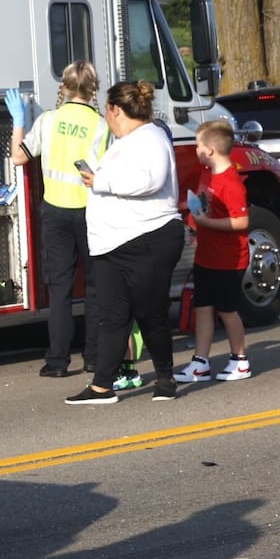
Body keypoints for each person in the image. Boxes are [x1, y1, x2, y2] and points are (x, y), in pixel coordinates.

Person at [65, 80, 185, 405]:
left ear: (116, 109)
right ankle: (102, 386)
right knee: (111, 316)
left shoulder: (152, 138)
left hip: (149, 238)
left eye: (106, 110)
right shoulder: (122, 142)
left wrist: (100, 180)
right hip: (112, 245)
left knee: (149, 313)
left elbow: (150, 180)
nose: (105, 117)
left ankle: (165, 377)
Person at [7, 61, 111, 378]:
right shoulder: (101, 125)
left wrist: (18, 122)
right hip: (91, 213)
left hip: (55, 212)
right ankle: (93, 358)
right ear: (93, 90)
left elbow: (19, 157)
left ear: (63, 88)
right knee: (94, 288)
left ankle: (57, 362)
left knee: (60, 290)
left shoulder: (49, 121)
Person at [174, 120, 251, 383]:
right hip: (206, 255)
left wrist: (207, 223)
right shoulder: (207, 174)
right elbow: (203, 205)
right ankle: (201, 361)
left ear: (209, 150)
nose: (194, 149)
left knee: (227, 309)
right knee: (203, 306)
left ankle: (240, 359)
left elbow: (241, 222)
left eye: (197, 145)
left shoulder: (231, 183)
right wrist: (196, 223)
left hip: (228, 259)